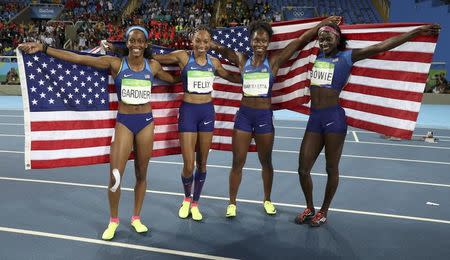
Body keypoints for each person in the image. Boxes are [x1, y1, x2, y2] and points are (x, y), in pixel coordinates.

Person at [19, 25, 180, 239]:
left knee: (142, 174)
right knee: (115, 176)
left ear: (146, 44)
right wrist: (44, 49)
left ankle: (136, 218)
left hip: (146, 123)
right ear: (127, 43)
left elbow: (176, 80)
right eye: (133, 40)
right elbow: (79, 59)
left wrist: (197, 69)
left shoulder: (153, 65)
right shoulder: (115, 63)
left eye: (141, 41)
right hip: (124, 122)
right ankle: (113, 221)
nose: (136, 45)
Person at [294, 22, 440, 227]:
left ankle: (323, 211)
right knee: (302, 168)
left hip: (334, 119)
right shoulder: (317, 57)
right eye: (321, 38)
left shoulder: (347, 56)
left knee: (331, 168)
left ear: (338, 39)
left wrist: (416, 32)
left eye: (328, 37)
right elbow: (300, 40)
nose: (324, 41)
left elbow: (381, 47)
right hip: (314, 119)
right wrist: (324, 22)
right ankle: (309, 207)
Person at [107, 25, 241, 221]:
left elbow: (232, 77)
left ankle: (196, 203)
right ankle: (186, 198)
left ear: (210, 43)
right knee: (188, 164)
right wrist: (117, 49)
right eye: (198, 41)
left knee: (202, 163)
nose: (202, 45)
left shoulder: (214, 62)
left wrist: (251, 75)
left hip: (207, 113)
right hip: (188, 112)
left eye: (206, 42)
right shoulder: (182, 57)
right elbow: (151, 57)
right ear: (192, 41)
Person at [210, 17, 340, 218]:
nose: (259, 44)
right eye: (256, 40)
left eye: (263, 41)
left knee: (266, 162)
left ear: (268, 42)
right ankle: (232, 203)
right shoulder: (243, 60)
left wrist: (322, 24)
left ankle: (267, 199)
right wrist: (210, 44)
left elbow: (300, 41)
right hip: (244, 117)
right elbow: (224, 52)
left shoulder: (274, 61)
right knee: (238, 161)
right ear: (250, 41)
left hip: (264, 118)